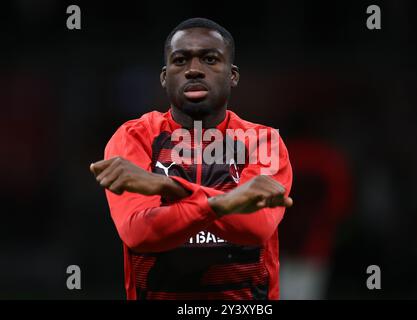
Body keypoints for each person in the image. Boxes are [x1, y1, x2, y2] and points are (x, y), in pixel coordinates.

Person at [90, 17, 293, 300]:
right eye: (180, 61)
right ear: (164, 77)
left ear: (232, 75)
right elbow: (139, 232)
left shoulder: (264, 141)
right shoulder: (134, 137)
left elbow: (255, 228)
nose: (194, 70)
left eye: (210, 59)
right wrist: (226, 202)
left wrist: (168, 188)